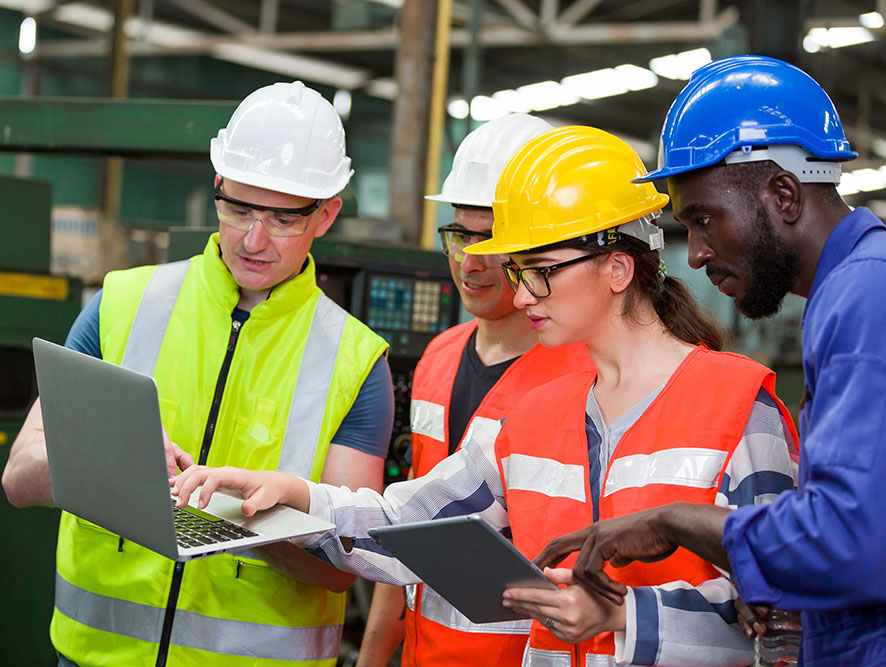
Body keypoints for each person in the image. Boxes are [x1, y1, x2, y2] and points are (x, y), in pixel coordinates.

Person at [170, 125, 799, 666]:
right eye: (518, 273)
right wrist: (292, 495)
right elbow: (406, 527)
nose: (521, 297)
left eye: (539, 272)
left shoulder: (739, 409)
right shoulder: (529, 416)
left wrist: (623, 618)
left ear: (617, 267)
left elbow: (787, 616)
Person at [1, 81, 393, 667]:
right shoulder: (120, 304)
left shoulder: (357, 363)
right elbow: (19, 477)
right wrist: (107, 467)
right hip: (95, 657)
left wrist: (234, 517)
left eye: (282, 219)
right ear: (216, 188)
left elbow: (343, 569)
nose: (253, 240)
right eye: (238, 209)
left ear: (327, 214)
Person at [533, 56, 886, 666]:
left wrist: (679, 522)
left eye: (703, 220)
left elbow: (851, 540)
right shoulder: (851, 291)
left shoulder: (864, 297)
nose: (694, 255)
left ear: (783, 194)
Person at [356, 114, 593, 667]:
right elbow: (407, 526)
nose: (472, 259)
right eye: (461, 235)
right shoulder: (439, 355)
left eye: (493, 238)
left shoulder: (583, 377)